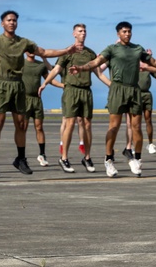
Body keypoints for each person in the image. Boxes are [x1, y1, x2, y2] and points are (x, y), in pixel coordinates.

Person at [0, 10, 80, 177]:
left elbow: (44, 52)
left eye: (14, 20)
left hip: (18, 86)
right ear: (2, 23)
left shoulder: (23, 42)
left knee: (21, 124)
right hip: (1, 85)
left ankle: (20, 159)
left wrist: (66, 51)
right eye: (9, 20)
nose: (12, 22)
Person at [68, 21, 156, 178]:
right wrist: (81, 68)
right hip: (118, 89)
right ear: (118, 33)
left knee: (136, 127)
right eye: (124, 31)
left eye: (129, 31)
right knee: (114, 127)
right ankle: (108, 159)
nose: (127, 34)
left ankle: (137, 158)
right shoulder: (112, 49)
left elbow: (155, 62)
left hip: (134, 90)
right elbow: (96, 62)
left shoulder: (137, 49)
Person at [39, 23, 109, 174]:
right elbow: (56, 70)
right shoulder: (67, 52)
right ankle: (64, 157)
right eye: (80, 31)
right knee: (69, 123)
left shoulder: (90, 53)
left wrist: (112, 85)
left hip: (86, 91)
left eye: (85, 31)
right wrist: (45, 83)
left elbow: (99, 74)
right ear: (74, 34)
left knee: (87, 125)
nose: (83, 33)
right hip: (71, 90)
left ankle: (87, 157)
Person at [22, 51, 53, 167]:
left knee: (39, 127)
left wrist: (62, 85)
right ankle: (22, 156)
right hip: (24, 100)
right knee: (23, 128)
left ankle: (42, 154)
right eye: (29, 50)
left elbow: (49, 78)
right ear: (25, 52)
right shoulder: (21, 64)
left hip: (37, 100)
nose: (31, 52)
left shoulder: (40, 65)